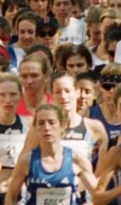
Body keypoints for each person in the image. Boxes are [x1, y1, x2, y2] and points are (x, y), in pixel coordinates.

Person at [5, 104, 97, 205]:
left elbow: (99, 196)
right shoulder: (26, 161)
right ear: (35, 128)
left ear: (62, 126)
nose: (47, 128)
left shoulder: (77, 160)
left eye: (51, 122)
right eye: (41, 123)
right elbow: (11, 198)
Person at [0, 73, 31, 204]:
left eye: (13, 94)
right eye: (2, 94)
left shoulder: (29, 124)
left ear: (21, 96)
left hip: (21, 193)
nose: (8, 100)